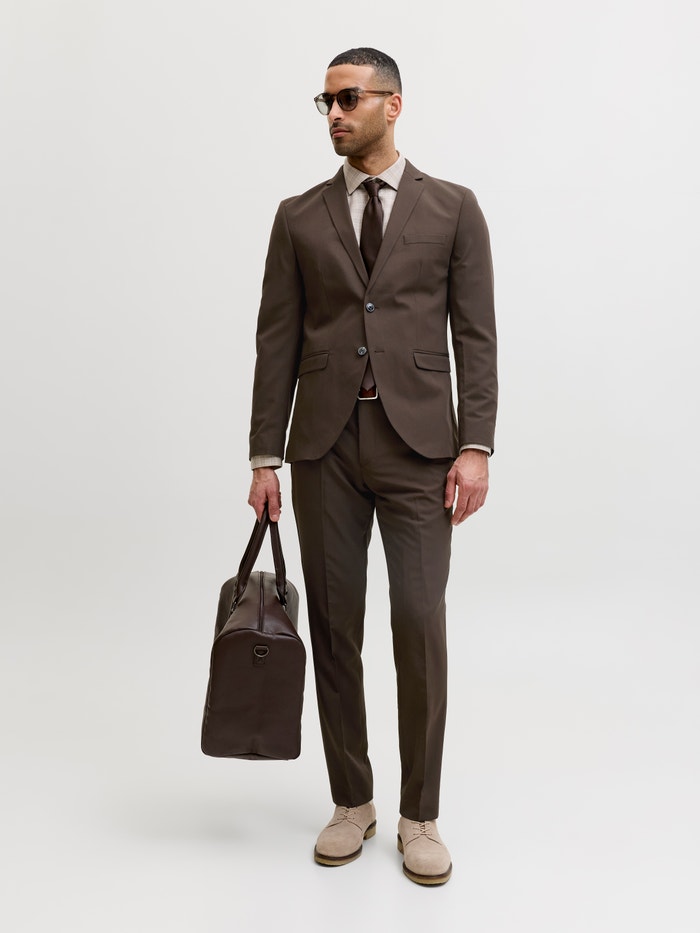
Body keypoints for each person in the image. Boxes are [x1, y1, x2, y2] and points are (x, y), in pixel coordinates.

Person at [247, 47, 497, 886]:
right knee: (334, 627)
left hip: (422, 447)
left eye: (348, 98)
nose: (334, 114)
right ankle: (352, 799)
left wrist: (475, 443)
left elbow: (476, 334)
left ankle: (420, 813)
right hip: (323, 447)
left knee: (419, 621)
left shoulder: (453, 207)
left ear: (393, 104)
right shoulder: (298, 216)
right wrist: (265, 454)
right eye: (325, 102)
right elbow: (276, 338)